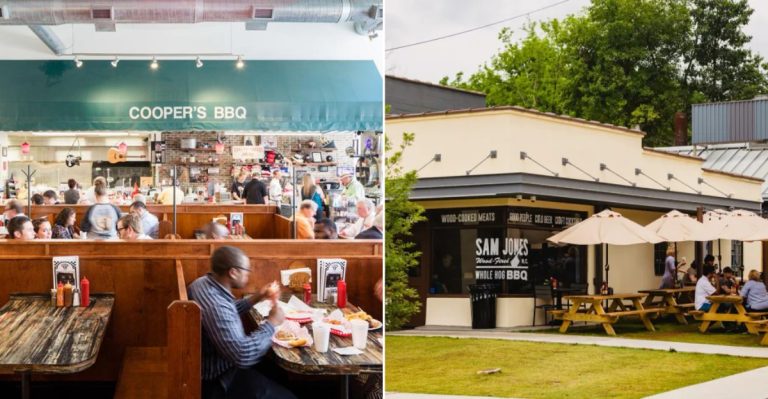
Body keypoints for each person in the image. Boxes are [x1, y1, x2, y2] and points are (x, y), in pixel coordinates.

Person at [187, 246, 295, 399]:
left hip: (218, 363)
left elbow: (225, 315)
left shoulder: (204, 283)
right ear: (233, 272)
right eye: (247, 270)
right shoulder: (216, 306)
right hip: (219, 380)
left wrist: (257, 297)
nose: (248, 275)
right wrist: (272, 322)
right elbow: (243, 355)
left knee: (279, 373)